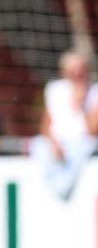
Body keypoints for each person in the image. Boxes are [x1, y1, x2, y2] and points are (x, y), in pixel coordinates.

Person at [30, 50, 98, 200]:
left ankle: (63, 190)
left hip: (83, 145)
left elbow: (93, 131)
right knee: (38, 145)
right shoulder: (55, 90)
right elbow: (45, 126)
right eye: (73, 72)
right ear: (64, 72)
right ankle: (56, 190)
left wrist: (81, 105)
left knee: (83, 149)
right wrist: (54, 144)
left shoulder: (94, 92)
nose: (77, 76)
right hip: (58, 144)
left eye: (81, 71)